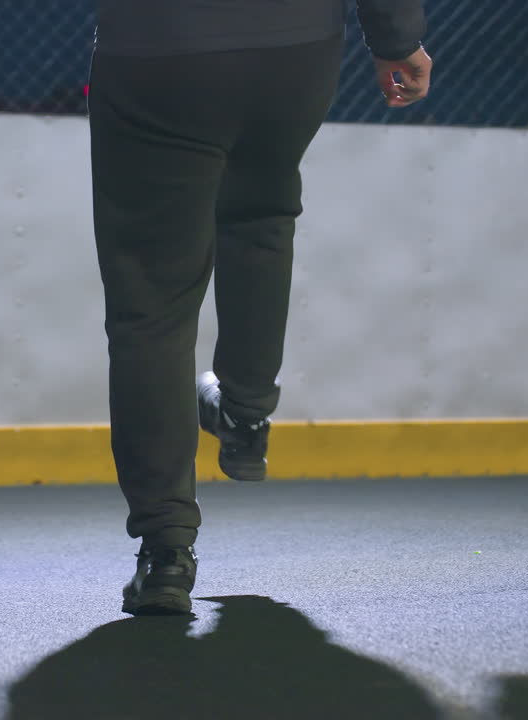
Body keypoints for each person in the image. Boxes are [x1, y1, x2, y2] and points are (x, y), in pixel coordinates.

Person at [86, 0, 433, 616]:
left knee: (151, 301)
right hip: (293, 49)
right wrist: (395, 38)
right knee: (261, 218)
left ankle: (167, 551)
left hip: (158, 47)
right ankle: (245, 414)